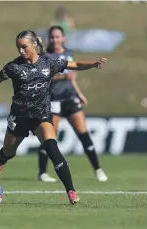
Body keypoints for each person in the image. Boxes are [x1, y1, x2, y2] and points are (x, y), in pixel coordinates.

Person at [0, 30, 107, 205]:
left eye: (24, 47)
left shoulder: (49, 63)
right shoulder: (14, 67)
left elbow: (74, 64)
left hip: (41, 116)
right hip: (19, 116)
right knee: (9, 151)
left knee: (53, 150)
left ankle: (71, 190)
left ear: (34, 44)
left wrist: (92, 64)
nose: (21, 51)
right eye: (18, 47)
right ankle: (1, 160)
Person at [37, 26, 108, 183]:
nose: (55, 39)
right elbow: (45, 78)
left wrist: (79, 93)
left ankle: (98, 169)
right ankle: (42, 172)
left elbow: (72, 77)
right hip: (53, 100)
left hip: (70, 98)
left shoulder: (69, 53)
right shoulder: (45, 56)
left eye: (58, 36)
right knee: (49, 137)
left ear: (63, 38)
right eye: (53, 37)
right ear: (49, 39)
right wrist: (62, 77)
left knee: (83, 134)